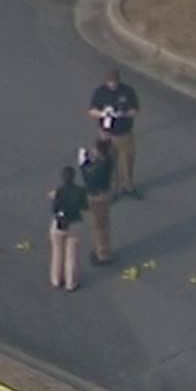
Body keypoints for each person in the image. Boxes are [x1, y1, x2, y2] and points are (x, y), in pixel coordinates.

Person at [88, 68, 142, 199]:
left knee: (127, 160)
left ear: (119, 81)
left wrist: (122, 114)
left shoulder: (128, 92)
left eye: (114, 82)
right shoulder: (100, 92)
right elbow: (91, 111)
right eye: (110, 82)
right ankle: (112, 190)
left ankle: (128, 186)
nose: (112, 85)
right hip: (106, 135)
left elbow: (135, 110)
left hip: (125, 133)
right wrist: (102, 114)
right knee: (109, 163)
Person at [78, 136, 117, 265]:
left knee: (99, 227)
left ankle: (103, 254)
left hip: (97, 198)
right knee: (104, 224)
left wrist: (83, 165)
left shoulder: (100, 167)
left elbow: (90, 180)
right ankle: (105, 250)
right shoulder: (108, 160)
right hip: (105, 194)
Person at [48, 165, 87, 292]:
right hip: (74, 224)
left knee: (57, 252)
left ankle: (56, 279)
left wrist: (54, 197)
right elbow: (85, 206)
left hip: (59, 224)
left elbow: (54, 209)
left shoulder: (59, 191)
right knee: (71, 254)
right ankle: (71, 282)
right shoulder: (80, 191)